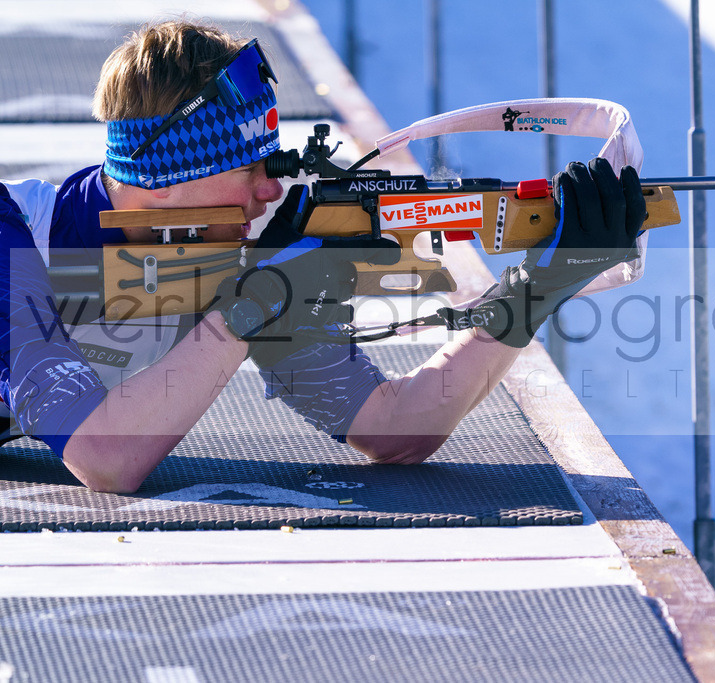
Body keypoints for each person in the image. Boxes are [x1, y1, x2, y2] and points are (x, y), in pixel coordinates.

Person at [0, 20, 645, 494]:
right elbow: (105, 458)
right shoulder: (13, 234)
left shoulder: (226, 261)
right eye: (246, 167)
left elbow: (397, 430)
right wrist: (246, 313)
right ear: (165, 177)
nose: (271, 189)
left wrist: (531, 293)